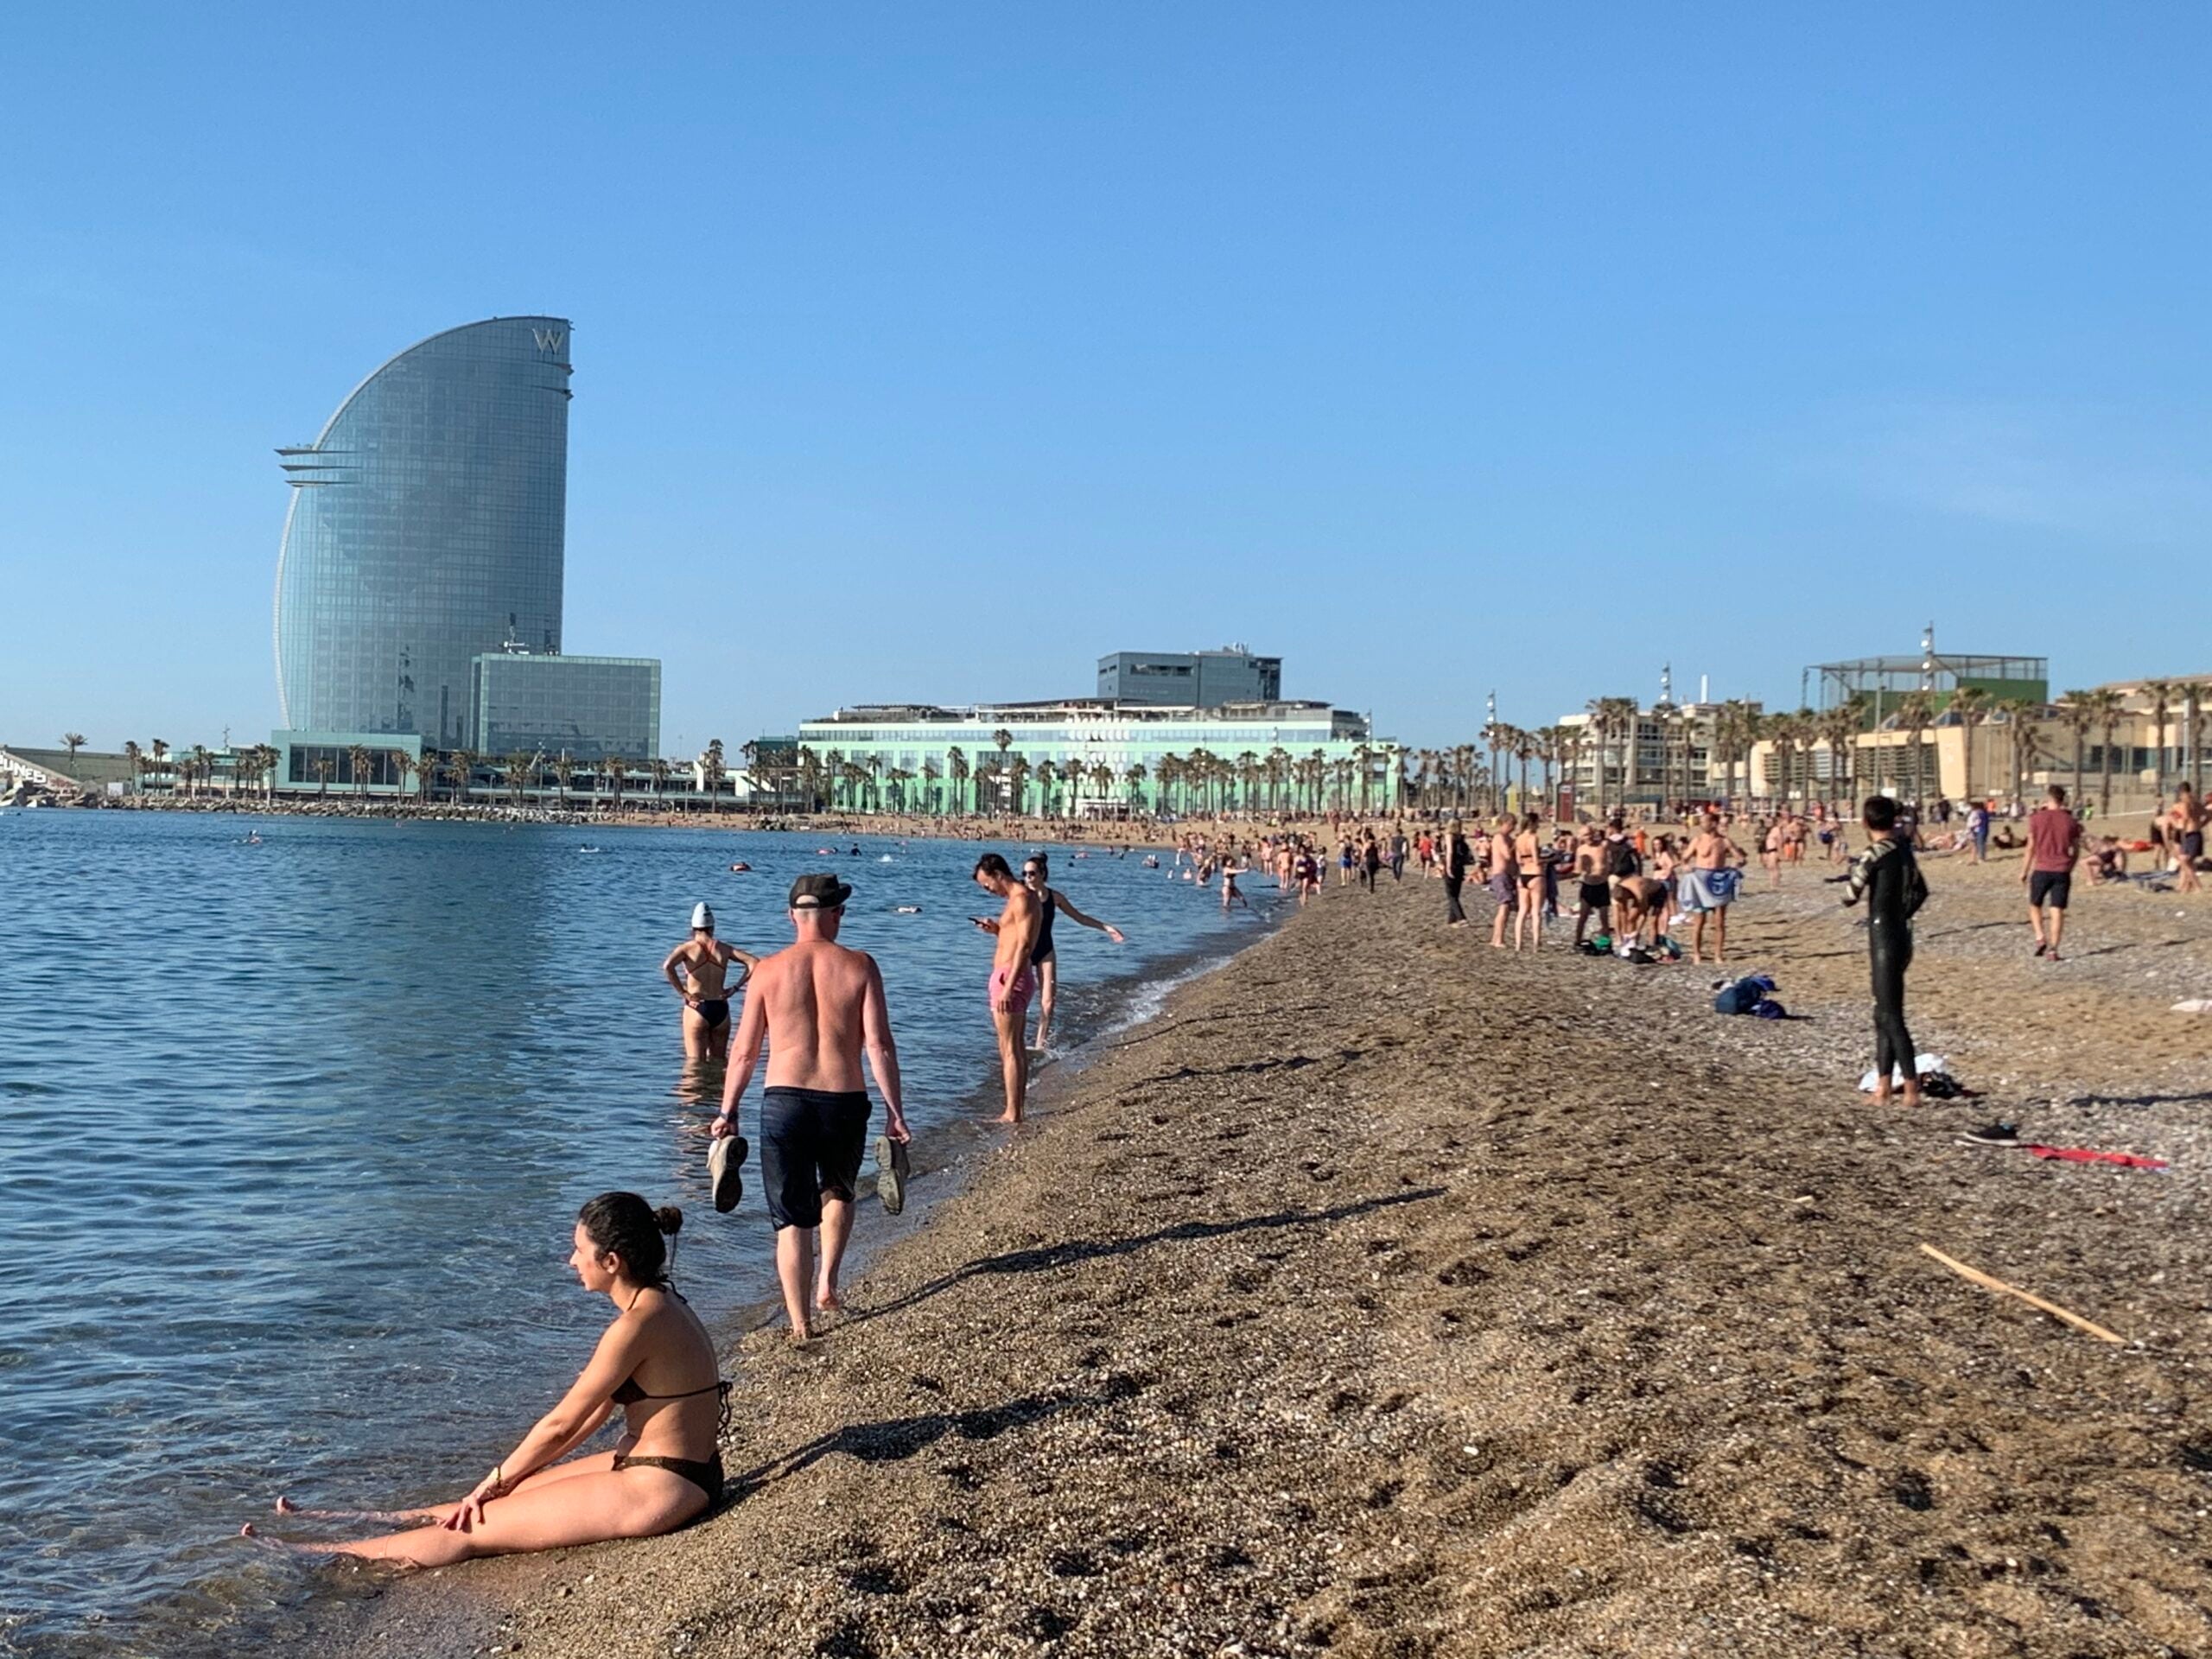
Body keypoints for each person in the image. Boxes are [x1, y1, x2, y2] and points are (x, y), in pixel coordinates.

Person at [246, 1194, 727, 1563]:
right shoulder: (664, 1305)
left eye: (579, 1249)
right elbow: (592, 1418)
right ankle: (339, 1519)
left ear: (611, 1261)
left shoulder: (633, 1327)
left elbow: (562, 1425)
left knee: (467, 1530)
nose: (571, 1260)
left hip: (661, 1488)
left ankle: (316, 1554)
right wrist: (507, 1482)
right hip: (681, 1469)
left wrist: (491, 1482)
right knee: (493, 1499)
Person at [712, 874, 910, 1339]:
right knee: (838, 1191)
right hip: (844, 1099)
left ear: (791, 917)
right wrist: (895, 1111)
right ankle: (827, 1285)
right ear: (837, 913)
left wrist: (727, 1110)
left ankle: (800, 1325)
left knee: (791, 1218)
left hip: (784, 1101)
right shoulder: (861, 966)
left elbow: (742, 1052)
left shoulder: (766, 971)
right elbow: (879, 1046)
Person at [1842, 796, 1927, 1108]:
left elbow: (1851, 894)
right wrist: (1903, 912)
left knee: (1890, 1014)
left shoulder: (1874, 852)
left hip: (1883, 935)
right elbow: (1921, 891)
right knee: (1882, 1010)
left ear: (1866, 823)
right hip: (1901, 934)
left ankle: (1911, 1090)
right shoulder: (1904, 850)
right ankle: (1883, 1086)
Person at [1020, 853, 1127, 1052]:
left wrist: (1108, 928)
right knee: (1022, 998)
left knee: (1049, 1001)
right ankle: (1017, 1042)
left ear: (1042, 874)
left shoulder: (1055, 897)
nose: (1028, 878)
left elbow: (1080, 918)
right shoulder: (1021, 896)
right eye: (1024, 874)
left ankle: (1039, 1045)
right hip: (1025, 951)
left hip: (1046, 951)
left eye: (1032, 873)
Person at [970, 854, 1044, 1123]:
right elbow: (1014, 937)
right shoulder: (1016, 901)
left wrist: (1008, 986)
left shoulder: (1022, 898)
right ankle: (1016, 1109)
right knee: (1013, 1047)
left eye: (987, 884)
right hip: (1008, 975)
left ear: (998, 874)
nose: (987, 890)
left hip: (1010, 977)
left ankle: (1012, 1112)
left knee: (1010, 1048)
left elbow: (1025, 945)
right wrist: (997, 930)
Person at [661, 904, 759, 1062]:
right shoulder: (724, 949)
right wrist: (735, 988)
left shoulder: (687, 948)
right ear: (712, 927)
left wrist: (684, 993)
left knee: (694, 1066)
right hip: (721, 1008)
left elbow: (668, 967)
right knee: (719, 1063)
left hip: (697, 1008)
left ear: (693, 928)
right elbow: (754, 962)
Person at [2023, 784, 2082, 961]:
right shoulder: (2071, 821)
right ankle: (2053, 950)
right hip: (2062, 870)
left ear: (2048, 799)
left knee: (2035, 905)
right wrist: (2069, 867)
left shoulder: (2036, 818)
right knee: (2057, 910)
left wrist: (2023, 871)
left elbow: (2030, 847)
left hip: (2041, 868)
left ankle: (2040, 936)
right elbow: (2076, 850)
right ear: (2063, 800)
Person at [1681, 813, 1744, 965]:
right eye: (1701, 822)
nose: (1702, 824)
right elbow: (1684, 858)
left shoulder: (1724, 841)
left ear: (1714, 823)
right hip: (1700, 879)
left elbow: (1740, 858)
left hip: (1718, 881)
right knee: (1699, 921)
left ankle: (1718, 954)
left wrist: (1736, 865)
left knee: (1719, 921)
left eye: (1705, 822)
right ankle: (1697, 954)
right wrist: (1685, 866)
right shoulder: (1697, 840)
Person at [1572, 826, 1610, 947]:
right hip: (1588, 885)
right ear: (1581, 837)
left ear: (1594, 833)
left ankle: (1606, 941)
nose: (1588, 837)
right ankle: (1578, 940)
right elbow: (1577, 869)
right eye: (1585, 835)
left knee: (1604, 917)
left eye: (1589, 834)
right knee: (1583, 916)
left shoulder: (1603, 846)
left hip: (1602, 885)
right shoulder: (1581, 850)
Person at [2171, 782, 2205, 895]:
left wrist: (2179, 827)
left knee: (2184, 861)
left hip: (2189, 835)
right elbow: (2209, 815)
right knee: (2188, 862)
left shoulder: (2185, 804)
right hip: (2197, 833)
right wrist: (2201, 824)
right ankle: (2187, 886)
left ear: (2182, 792)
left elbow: (2185, 818)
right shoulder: (2197, 803)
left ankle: (2197, 886)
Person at [1440, 818, 1471, 926]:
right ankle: (1451, 920)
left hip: (1452, 864)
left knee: (1450, 894)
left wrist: (1448, 867)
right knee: (1455, 893)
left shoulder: (1449, 836)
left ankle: (1461, 918)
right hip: (1460, 866)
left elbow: (1450, 852)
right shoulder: (1461, 837)